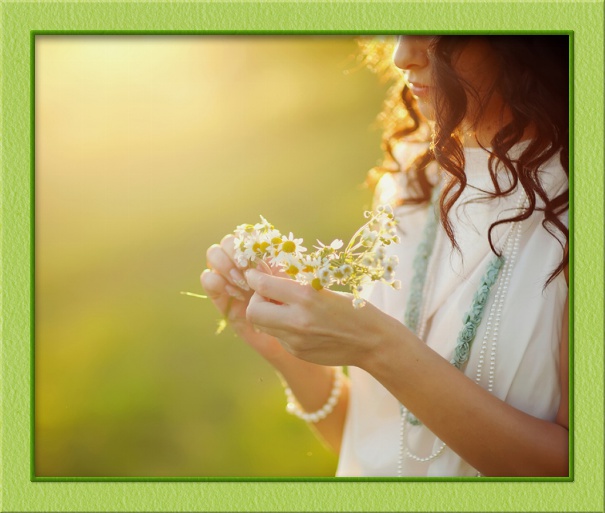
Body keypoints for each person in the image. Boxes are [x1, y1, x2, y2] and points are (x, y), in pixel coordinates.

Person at [200, 35, 569, 477]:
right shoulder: (411, 179)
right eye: (397, 27)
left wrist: (378, 346)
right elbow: (380, 447)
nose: (401, 55)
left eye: (432, 32)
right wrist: (284, 351)